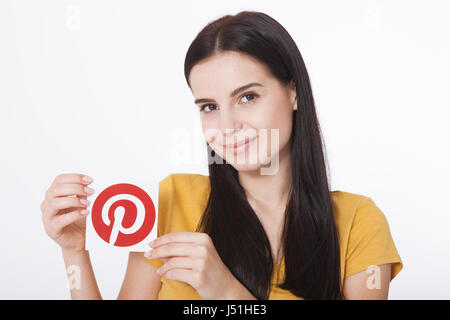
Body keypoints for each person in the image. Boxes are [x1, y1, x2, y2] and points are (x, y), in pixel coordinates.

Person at [40, 10, 403, 300]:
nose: (226, 126)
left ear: (293, 92)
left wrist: (225, 291)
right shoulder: (171, 200)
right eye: (209, 106)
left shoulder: (358, 223)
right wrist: (74, 254)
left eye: (247, 97)